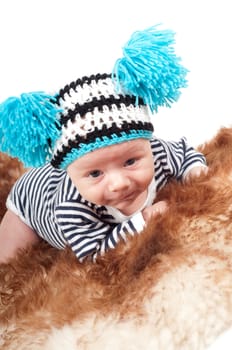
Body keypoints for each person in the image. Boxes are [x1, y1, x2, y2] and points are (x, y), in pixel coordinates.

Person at [0, 25, 208, 263]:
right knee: (7, 262)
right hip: (31, 203)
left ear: (147, 144)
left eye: (130, 161)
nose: (119, 184)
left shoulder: (159, 152)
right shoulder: (71, 207)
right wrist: (143, 220)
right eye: (95, 173)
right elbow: (93, 254)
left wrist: (198, 175)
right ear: (71, 172)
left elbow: (185, 155)